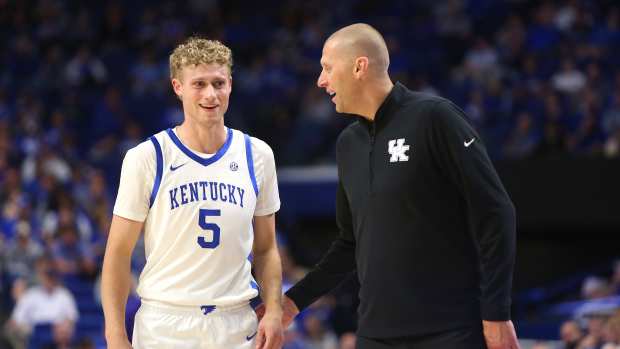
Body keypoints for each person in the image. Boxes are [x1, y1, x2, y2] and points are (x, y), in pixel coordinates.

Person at [276, 23, 520, 349]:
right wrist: (292, 303)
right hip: (376, 334)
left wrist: (496, 313)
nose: (321, 80)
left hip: (452, 331)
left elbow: (496, 213)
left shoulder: (435, 118)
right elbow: (350, 244)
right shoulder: (348, 144)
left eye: (327, 68)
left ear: (359, 67)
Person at [101, 37, 284, 349]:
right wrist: (115, 334)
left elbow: (266, 249)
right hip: (165, 324)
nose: (210, 94)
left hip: (236, 322)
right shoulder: (147, 157)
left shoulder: (258, 155)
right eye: (199, 84)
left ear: (231, 85)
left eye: (218, 83)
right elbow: (118, 252)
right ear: (178, 87)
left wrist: (275, 309)